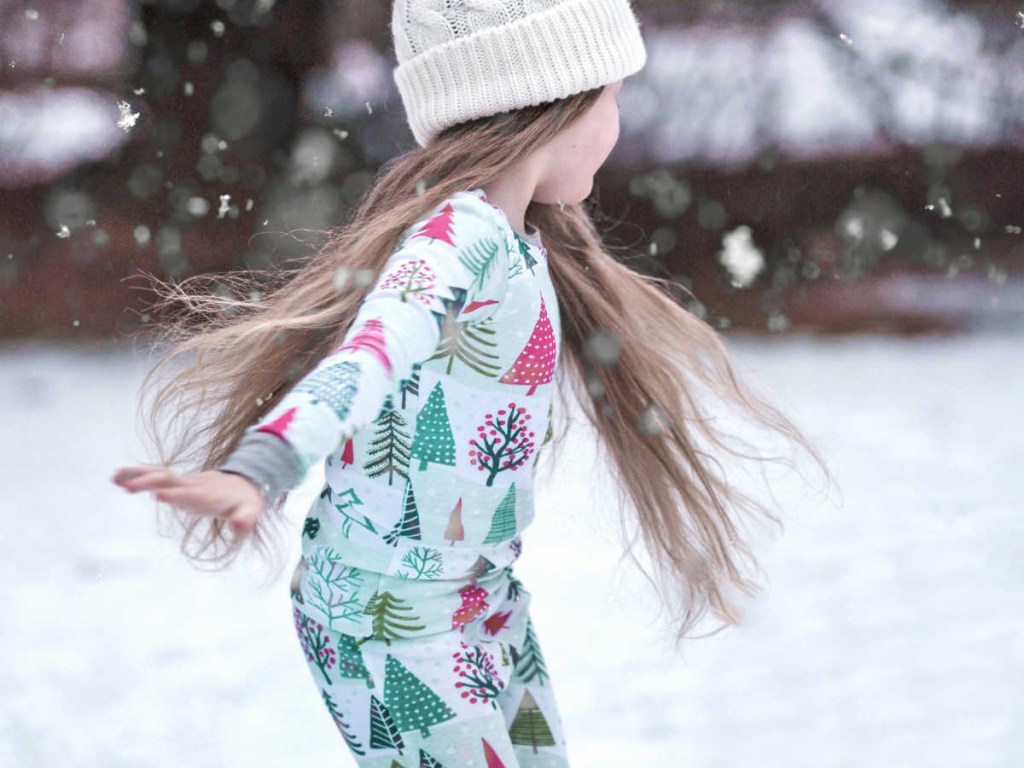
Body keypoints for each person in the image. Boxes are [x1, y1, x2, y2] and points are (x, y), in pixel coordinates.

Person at [114, 1, 833, 766]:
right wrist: (262, 466)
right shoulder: (458, 239)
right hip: (393, 618)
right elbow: (371, 353)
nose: (617, 124)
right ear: (553, 98)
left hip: (476, 597)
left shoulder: (522, 240)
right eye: (612, 96)